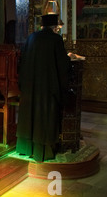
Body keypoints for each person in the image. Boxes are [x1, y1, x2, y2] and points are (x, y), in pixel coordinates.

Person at [16, 14, 71, 162]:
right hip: (47, 87)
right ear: (54, 27)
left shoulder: (31, 38)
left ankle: (25, 149)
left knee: (30, 116)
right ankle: (43, 151)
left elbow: (22, 61)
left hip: (30, 86)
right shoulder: (56, 39)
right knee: (44, 117)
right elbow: (62, 65)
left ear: (42, 26)